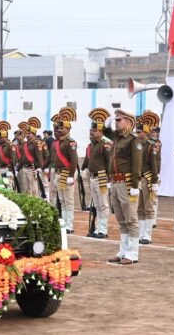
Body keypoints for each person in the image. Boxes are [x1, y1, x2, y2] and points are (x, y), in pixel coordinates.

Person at [104, 109, 143, 264]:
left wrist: (134, 184)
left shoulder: (133, 140)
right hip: (115, 182)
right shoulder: (118, 137)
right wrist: (106, 125)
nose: (116, 122)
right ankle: (123, 251)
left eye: (119, 120)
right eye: (116, 120)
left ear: (128, 121)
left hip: (127, 184)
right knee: (121, 219)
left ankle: (133, 253)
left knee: (131, 219)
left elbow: (137, 165)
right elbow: (106, 132)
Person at [83, 108, 112, 239]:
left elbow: (109, 162)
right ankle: (98, 228)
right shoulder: (94, 144)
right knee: (97, 204)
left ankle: (103, 229)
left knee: (103, 204)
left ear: (101, 131)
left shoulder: (105, 144)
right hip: (93, 176)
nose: (92, 133)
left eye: (94, 131)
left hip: (101, 176)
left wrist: (109, 177)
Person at [51, 107, 80, 234]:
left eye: (62, 128)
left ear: (68, 129)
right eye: (58, 128)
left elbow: (74, 160)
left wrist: (70, 175)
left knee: (68, 200)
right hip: (58, 173)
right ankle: (64, 223)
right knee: (62, 200)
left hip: (66, 172)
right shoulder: (58, 142)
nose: (59, 130)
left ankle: (69, 225)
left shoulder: (70, 142)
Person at [136, 111, 161, 245]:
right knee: (140, 208)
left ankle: (147, 234)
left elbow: (154, 164)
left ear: (145, 132)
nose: (137, 134)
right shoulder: (136, 145)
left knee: (148, 207)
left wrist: (154, 181)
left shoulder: (151, 145)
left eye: (139, 132)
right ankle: (141, 232)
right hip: (138, 179)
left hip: (147, 178)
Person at [17, 118, 44, 197]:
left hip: (32, 169)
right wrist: (17, 169)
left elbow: (39, 157)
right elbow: (22, 158)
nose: (27, 135)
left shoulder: (37, 144)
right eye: (27, 133)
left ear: (34, 134)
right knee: (26, 189)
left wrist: (40, 167)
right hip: (24, 168)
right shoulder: (25, 144)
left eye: (29, 133)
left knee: (34, 189)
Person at [149, 126, 162, 228]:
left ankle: (153, 220)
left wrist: (157, 174)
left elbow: (155, 160)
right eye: (153, 131)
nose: (155, 133)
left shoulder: (156, 143)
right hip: (145, 172)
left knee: (154, 197)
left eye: (156, 132)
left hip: (154, 172)